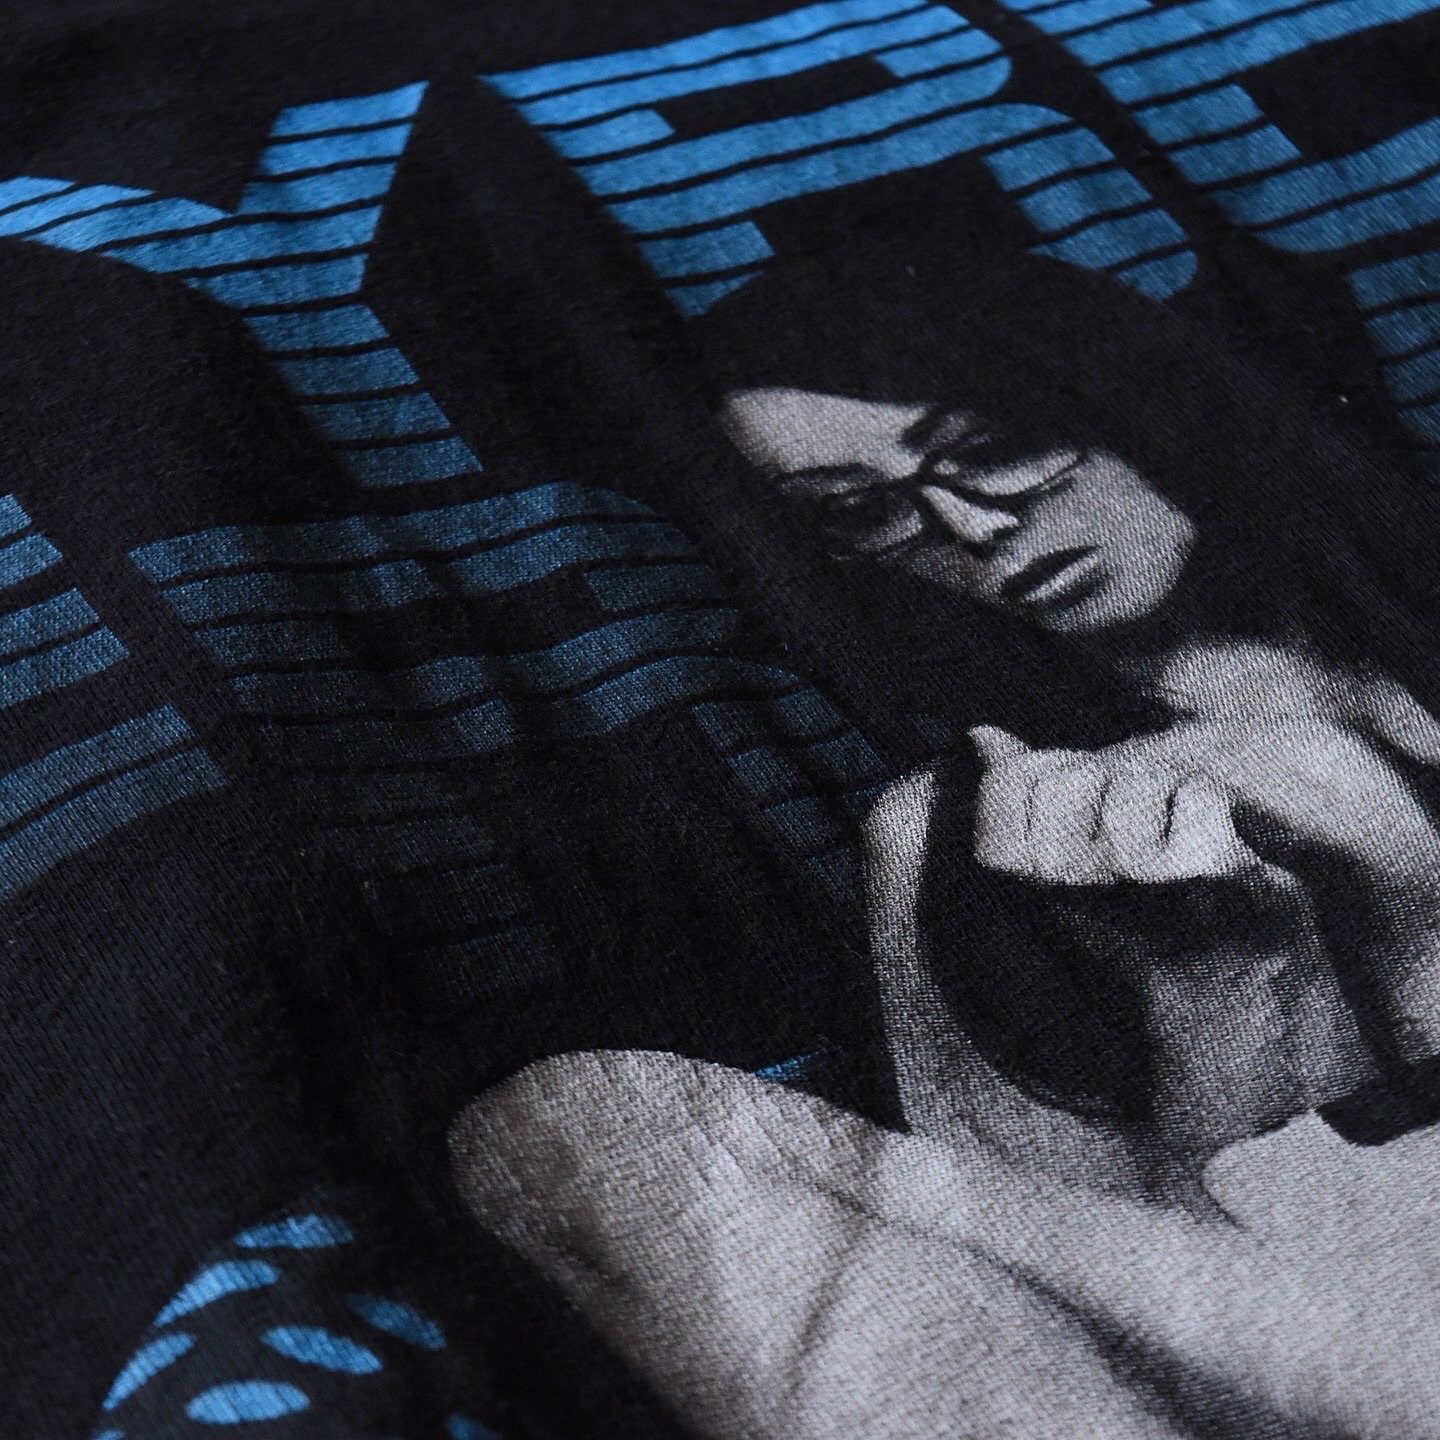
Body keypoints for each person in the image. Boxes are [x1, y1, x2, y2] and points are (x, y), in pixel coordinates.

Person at [680, 237, 1440, 1203]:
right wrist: (1226, 993)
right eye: (864, 511)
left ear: (1128, 396)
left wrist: (1411, 906)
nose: (974, 526)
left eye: (992, 451)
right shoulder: (949, 834)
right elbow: (1101, 1240)